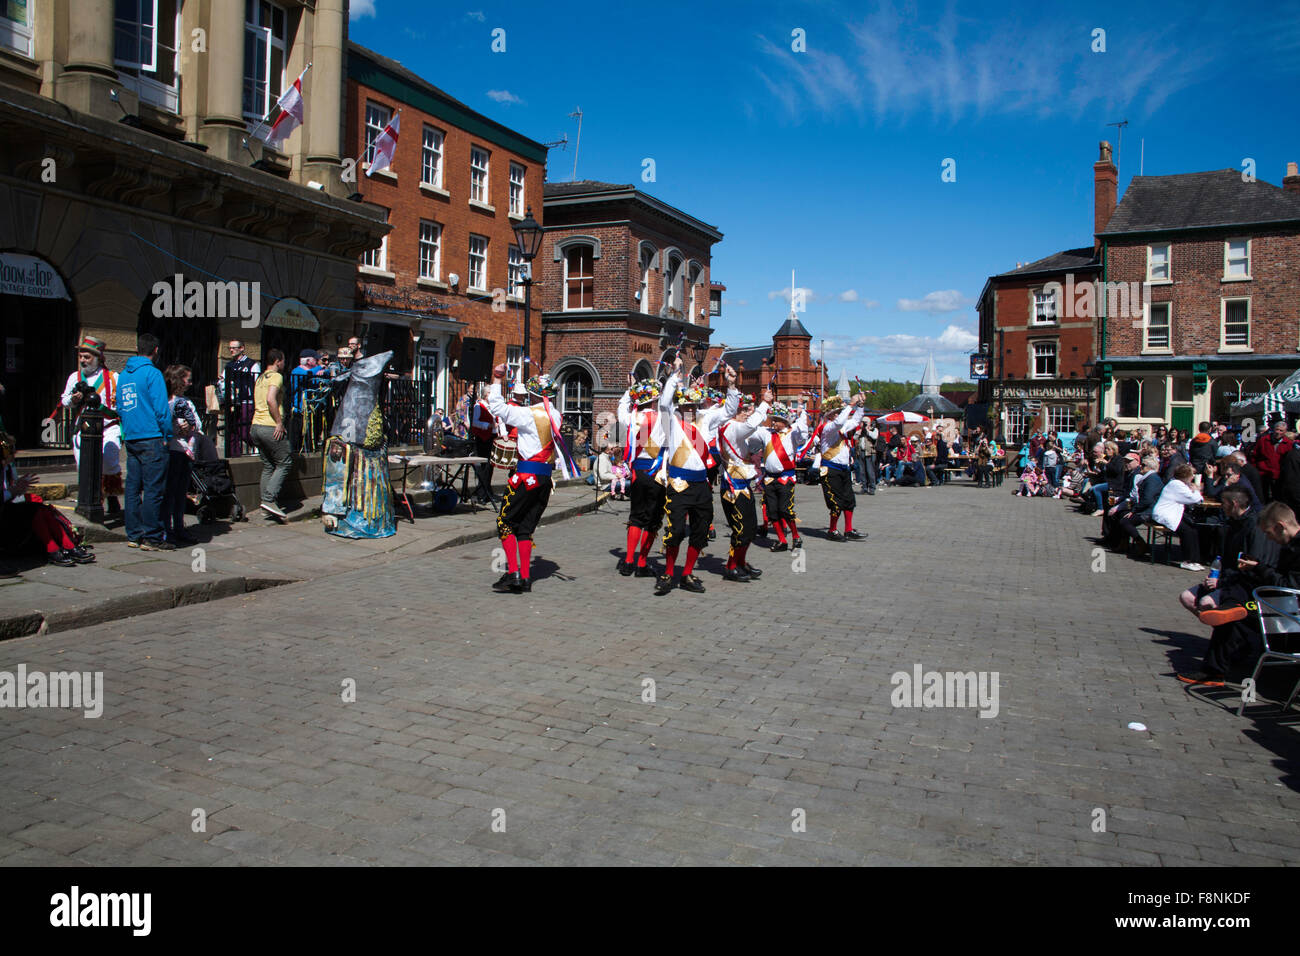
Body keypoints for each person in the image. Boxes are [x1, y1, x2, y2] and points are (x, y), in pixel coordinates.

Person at [1177, 500, 1300, 686]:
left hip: (1290, 616)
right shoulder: (1292, 545)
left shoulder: (1296, 549)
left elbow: (1288, 587)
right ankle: (1233, 609)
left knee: (1234, 616)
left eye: (1269, 533)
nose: (1269, 538)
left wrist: (1260, 569)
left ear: (1280, 526)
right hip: (1284, 608)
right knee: (1237, 608)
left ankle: (1214, 672)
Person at [488, 366, 575, 593]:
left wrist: (497, 379)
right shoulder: (555, 414)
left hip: (526, 477)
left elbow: (496, 407)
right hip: (545, 479)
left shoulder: (527, 414)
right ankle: (525, 577)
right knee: (525, 528)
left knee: (505, 523)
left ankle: (514, 573)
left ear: (533, 394)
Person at [652, 356, 718, 596]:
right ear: (679, 408)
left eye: (693, 407)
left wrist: (731, 387)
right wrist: (675, 375)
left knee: (700, 531)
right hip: (679, 484)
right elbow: (664, 403)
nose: (689, 410)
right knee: (677, 530)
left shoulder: (704, 423)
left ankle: (687, 573)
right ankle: (669, 572)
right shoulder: (672, 424)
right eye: (685, 407)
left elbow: (730, 409)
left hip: (701, 485)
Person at [320, 350, 396, 539]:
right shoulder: (349, 418)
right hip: (357, 461)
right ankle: (344, 517)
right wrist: (331, 509)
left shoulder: (373, 408)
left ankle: (375, 522)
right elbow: (337, 467)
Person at [0, 430, 94, 567]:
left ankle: (66, 547)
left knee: (42, 509)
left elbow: (9, 493)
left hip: (6, 509)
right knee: (35, 511)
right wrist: (13, 491)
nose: (14, 456)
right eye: (11, 452)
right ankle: (56, 549)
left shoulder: (7, 468)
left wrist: (18, 488)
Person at [116, 333, 173, 550]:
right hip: (152, 437)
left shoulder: (123, 375)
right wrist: (167, 435)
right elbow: (161, 410)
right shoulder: (153, 374)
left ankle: (133, 534)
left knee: (132, 487)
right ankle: (152, 537)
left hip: (131, 437)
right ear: (156, 350)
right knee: (152, 489)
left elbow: (121, 407)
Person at [714, 367, 769, 582]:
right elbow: (751, 424)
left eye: (748, 409)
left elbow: (758, 430)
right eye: (744, 410)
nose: (747, 412)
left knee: (750, 528)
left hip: (742, 483)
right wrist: (764, 403)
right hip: (733, 485)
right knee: (740, 528)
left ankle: (741, 562)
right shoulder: (730, 428)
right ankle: (730, 566)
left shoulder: (740, 430)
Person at [60, 335, 123, 516]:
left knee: (110, 462)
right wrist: (73, 399)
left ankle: (111, 494)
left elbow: (119, 404)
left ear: (98, 358)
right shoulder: (75, 377)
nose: (83, 360)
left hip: (108, 426)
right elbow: (64, 401)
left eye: (87, 357)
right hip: (85, 428)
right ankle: (88, 499)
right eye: (81, 357)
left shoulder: (112, 377)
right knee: (84, 465)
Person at [616, 374, 668, 577]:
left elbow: (622, 406)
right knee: (653, 519)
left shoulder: (631, 418)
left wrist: (630, 390)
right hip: (657, 473)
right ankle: (642, 563)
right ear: (654, 398)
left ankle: (628, 561)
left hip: (637, 472)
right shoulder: (665, 419)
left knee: (636, 516)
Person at [752, 392, 810, 552]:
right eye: (773, 420)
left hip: (786, 478)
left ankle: (796, 537)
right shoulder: (766, 433)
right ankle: (782, 540)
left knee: (786, 509)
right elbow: (750, 430)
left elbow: (804, 434)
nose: (773, 422)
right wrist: (754, 411)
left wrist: (801, 411)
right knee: (772, 511)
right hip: (770, 479)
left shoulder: (792, 434)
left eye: (776, 420)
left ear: (784, 422)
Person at [807, 393, 866, 540]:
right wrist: (850, 405)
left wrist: (860, 406)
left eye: (839, 412)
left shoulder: (840, 428)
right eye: (836, 412)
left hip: (843, 469)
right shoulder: (826, 429)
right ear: (830, 415)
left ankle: (848, 529)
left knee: (849, 500)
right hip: (830, 470)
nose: (839, 414)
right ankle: (832, 530)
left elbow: (856, 420)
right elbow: (839, 423)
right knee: (835, 502)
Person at [249, 349, 291, 520]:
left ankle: (265, 504)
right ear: (277, 361)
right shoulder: (276, 376)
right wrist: (279, 422)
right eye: (283, 360)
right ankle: (268, 499)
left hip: (255, 426)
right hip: (269, 426)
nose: (284, 364)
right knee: (285, 462)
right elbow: (270, 399)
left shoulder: (260, 378)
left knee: (268, 465)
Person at [163, 365, 202, 545]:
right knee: (169, 493)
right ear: (178, 380)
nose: (190, 382)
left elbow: (198, 424)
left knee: (180, 493)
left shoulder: (186, 402)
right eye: (187, 378)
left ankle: (179, 527)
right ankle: (166, 529)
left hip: (186, 452)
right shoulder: (165, 401)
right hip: (171, 451)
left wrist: (190, 426)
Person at [1152, 463, 1205, 571]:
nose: (1193, 477)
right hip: (1165, 515)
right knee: (1187, 532)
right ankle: (1187, 560)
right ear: (1186, 475)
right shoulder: (1176, 485)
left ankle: (1195, 559)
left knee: (1193, 530)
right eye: (1192, 474)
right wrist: (1197, 490)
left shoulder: (1179, 484)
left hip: (1173, 513)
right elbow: (1193, 499)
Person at [1116, 455, 1165, 558]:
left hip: (1149, 511)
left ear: (1150, 467)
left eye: (1143, 465)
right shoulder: (1148, 478)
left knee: (1125, 521)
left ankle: (1141, 543)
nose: (1141, 467)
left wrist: (1134, 510)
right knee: (1123, 515)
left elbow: (1147, 499)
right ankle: (1124, 543)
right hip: (1145, 508)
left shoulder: (1152, 479)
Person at [218, 339, 260, 457]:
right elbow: (223, 380)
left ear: (241, 348)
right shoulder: (229, 365)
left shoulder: (251, 364)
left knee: (244, 429)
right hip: (232, 402)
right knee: (232, 430)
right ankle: (233, 455)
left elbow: (257, 383)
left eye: (234, 348)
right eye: (229, 348)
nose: (231, 350)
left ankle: (258, 446)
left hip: (247, 401)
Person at [1251, 418, 1293, 502]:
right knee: (1263, 497)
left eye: (1281, 430)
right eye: (1277, 429)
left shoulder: (1288, 444)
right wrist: (1256, 470)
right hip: (1264, 474)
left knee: (1277, 497)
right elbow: (1254, 456)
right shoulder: (1263, 440)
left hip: (1278, 476)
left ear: (1285, 432)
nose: (1278, 432)